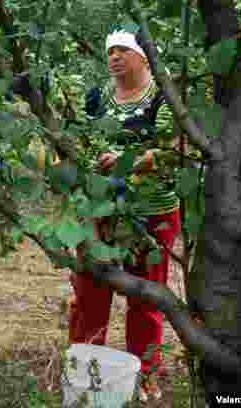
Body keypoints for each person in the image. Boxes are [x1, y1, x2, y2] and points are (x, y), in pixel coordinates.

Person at [69, 30, 181, 403]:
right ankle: (84, 371)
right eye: (110, 51)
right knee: (90, 293)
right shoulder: (97, 98)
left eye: (123, 50)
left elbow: (173, 152)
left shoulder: (164, 97)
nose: (114, 56)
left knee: (146, 297)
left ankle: (145, 374)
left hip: (151, 214)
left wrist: (128, 162)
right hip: (100, 212)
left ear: (144, 57)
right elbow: (81, 143)